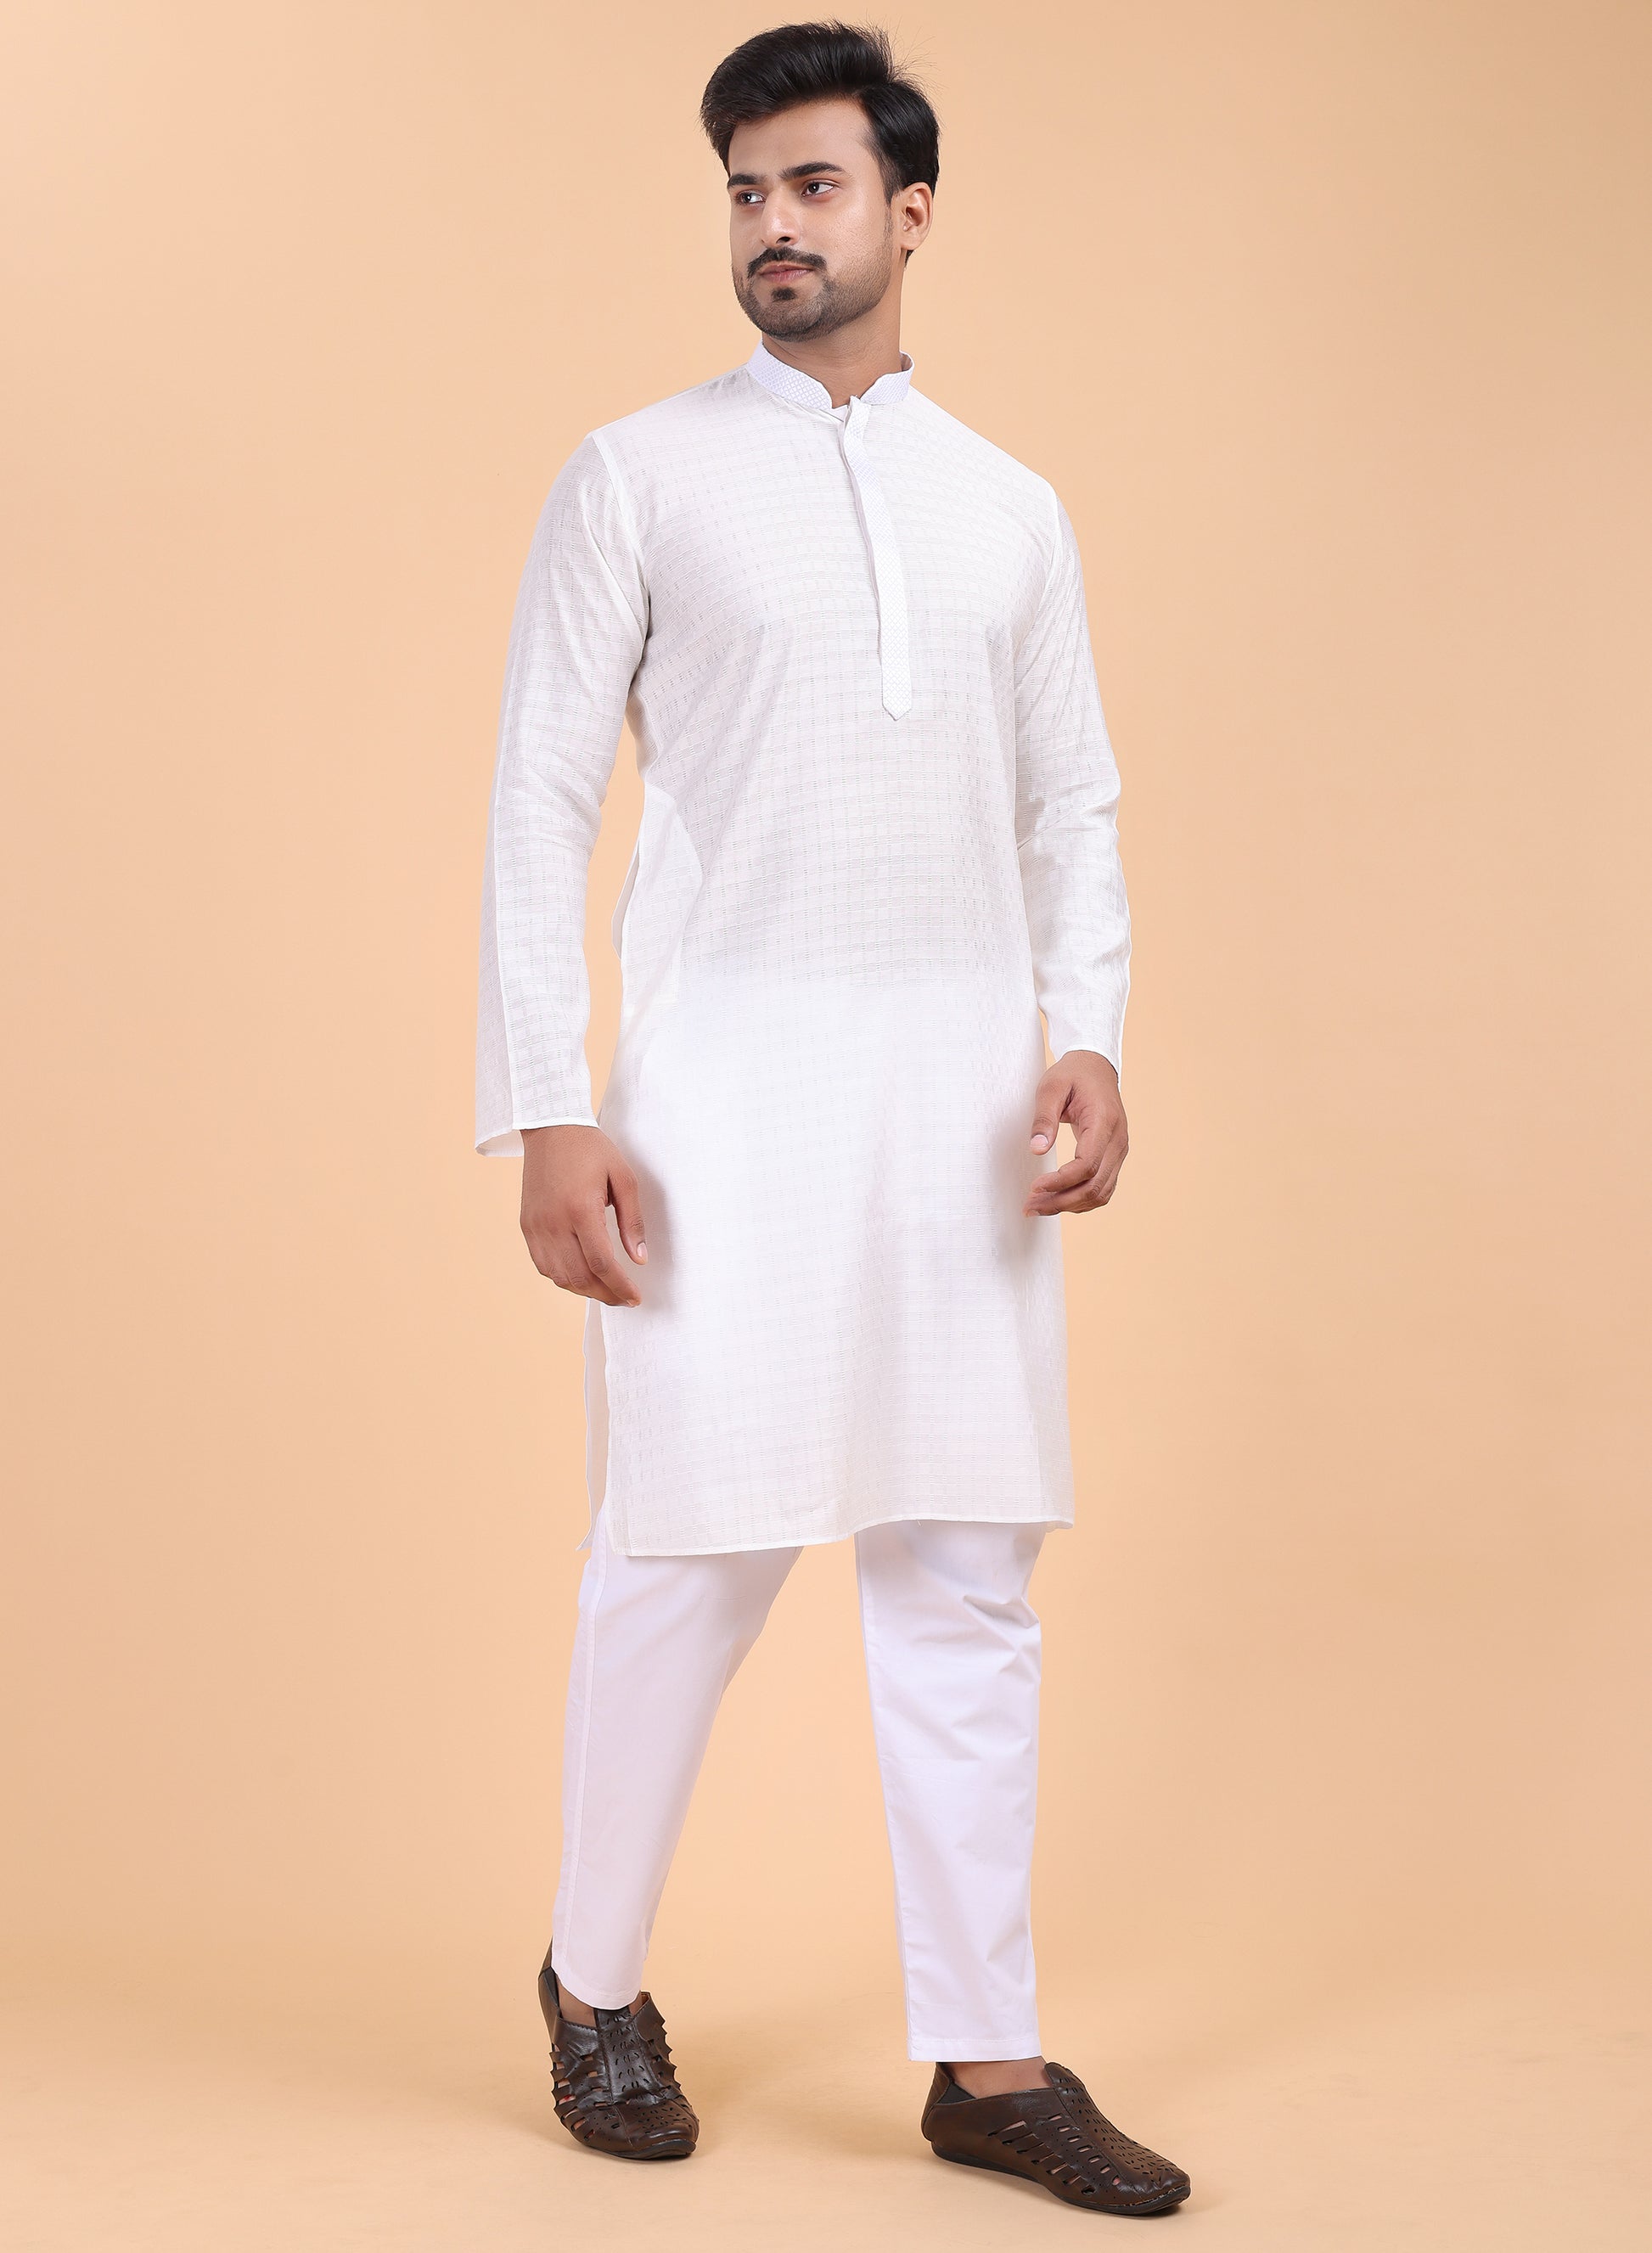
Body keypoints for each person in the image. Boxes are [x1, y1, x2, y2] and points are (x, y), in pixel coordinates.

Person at [474, 19, 1190, 2216]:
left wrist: (1088, 1032)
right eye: (743, 192)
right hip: (720, 1106)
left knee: (967, 1573)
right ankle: (595, 1983)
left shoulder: (1009, 508)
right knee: (681, 1563)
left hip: (957, 1116)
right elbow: (537, 800)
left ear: (909, 209)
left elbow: (1071, 801)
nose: (772, 226)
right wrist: (548, 1105)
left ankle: (987, 2061)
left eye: (811, 185)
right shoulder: (637, 473)